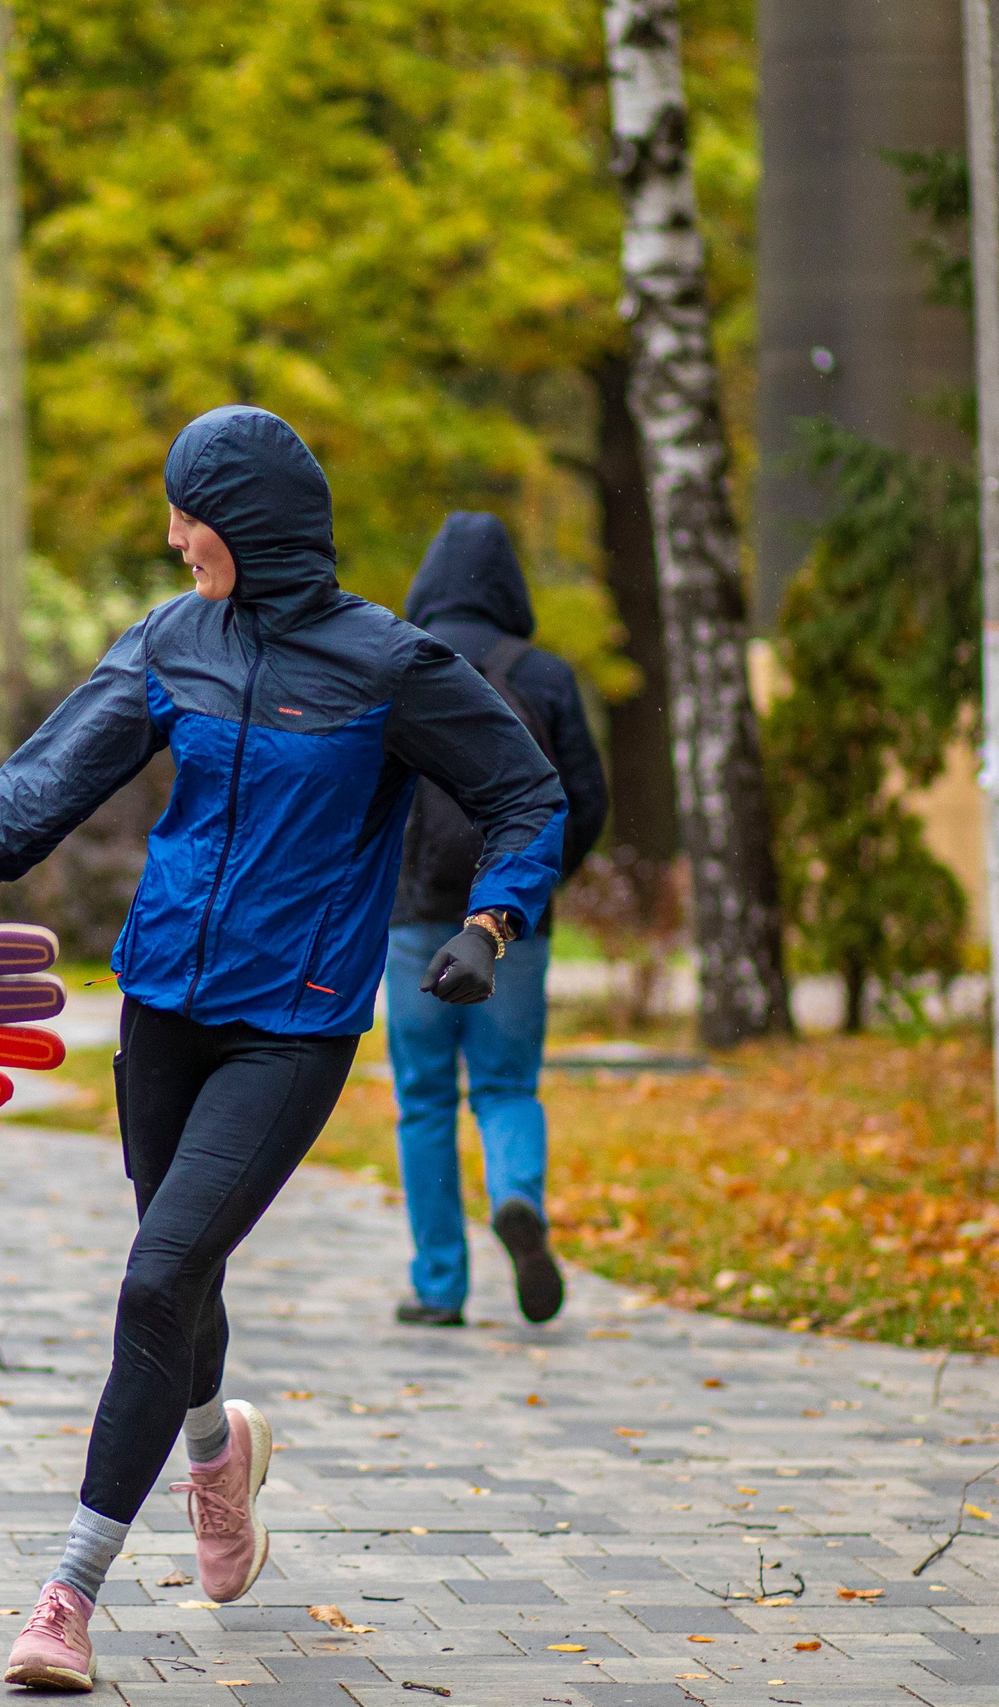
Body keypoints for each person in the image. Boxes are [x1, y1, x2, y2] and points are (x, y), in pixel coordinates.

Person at [0, 407, 569, 1691]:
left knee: (157, 1277)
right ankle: (217, 1451)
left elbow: (527, 791)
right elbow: (38, 793)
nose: (169, 539)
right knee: (173, 1268)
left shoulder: (388, 662)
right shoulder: (169, 642)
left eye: (185, 516)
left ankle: (67, 1594)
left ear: (243, 524)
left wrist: (492, 917)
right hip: (162, 1006)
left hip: (292, 1022)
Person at [386, 513, 608, 1328]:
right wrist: (536, 890)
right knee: (507, 1085)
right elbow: (583, 802)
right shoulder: (545, 676)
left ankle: (439, 1284)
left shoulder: (400, 662)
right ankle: (517, 1196)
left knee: (424, 1100)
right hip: (513, 929)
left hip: (414, 924)